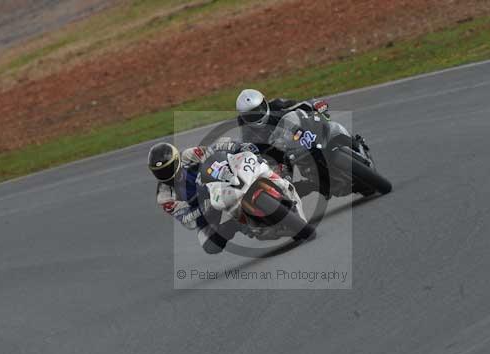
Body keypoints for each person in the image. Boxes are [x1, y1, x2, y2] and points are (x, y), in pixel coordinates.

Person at [235, 89, 370, 197]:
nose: (258, 113)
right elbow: (252, 150)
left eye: (260, 108)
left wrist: (315, 105)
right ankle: (314, 186)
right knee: (284, 184)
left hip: (301, 134)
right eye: (251, 114)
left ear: (265, 103)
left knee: (331, 126)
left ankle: (356, 143)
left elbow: (300, 104)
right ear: (243, 116)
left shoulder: (277, 105)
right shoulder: (247, 132)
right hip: (283, 152)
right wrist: (255, 155)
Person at [148, 141, 256, 254]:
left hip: (219, 182)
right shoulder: (164, 196)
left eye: (169, 168)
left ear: (177, 160)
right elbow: (186, 218)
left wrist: (238, 146)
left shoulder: (188, 155)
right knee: (210, 246)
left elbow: (214, 149)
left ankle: (264, 173)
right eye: (160, 172)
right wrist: (203, 208)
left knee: (242, 156)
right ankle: (234, 224)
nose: (166, 174)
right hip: (206, 211)